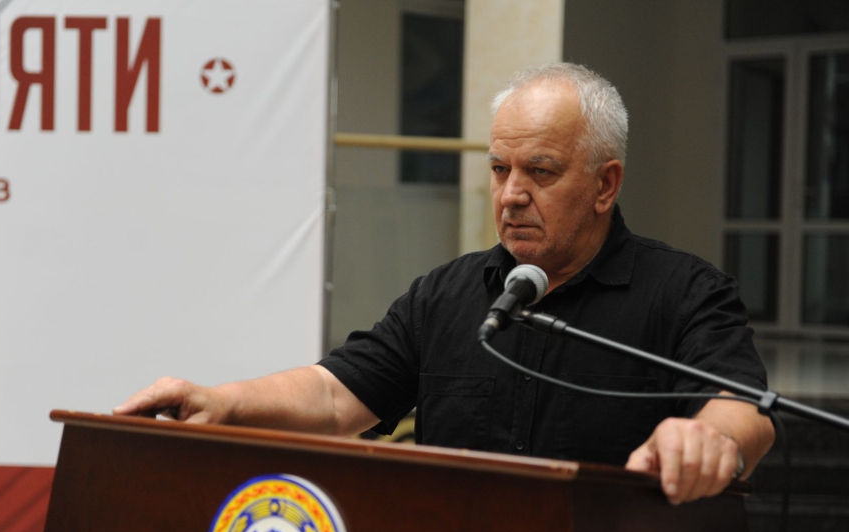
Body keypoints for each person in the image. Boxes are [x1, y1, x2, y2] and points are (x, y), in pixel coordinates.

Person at [114, 63, 774, 505]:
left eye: (540, 172)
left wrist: (709, 439)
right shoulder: (448, 294)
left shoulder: (685, 292)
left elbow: (744, 409)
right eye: (500, 169)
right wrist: (223, 401)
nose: (511, 194)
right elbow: (335, 397)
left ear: (606, 185)